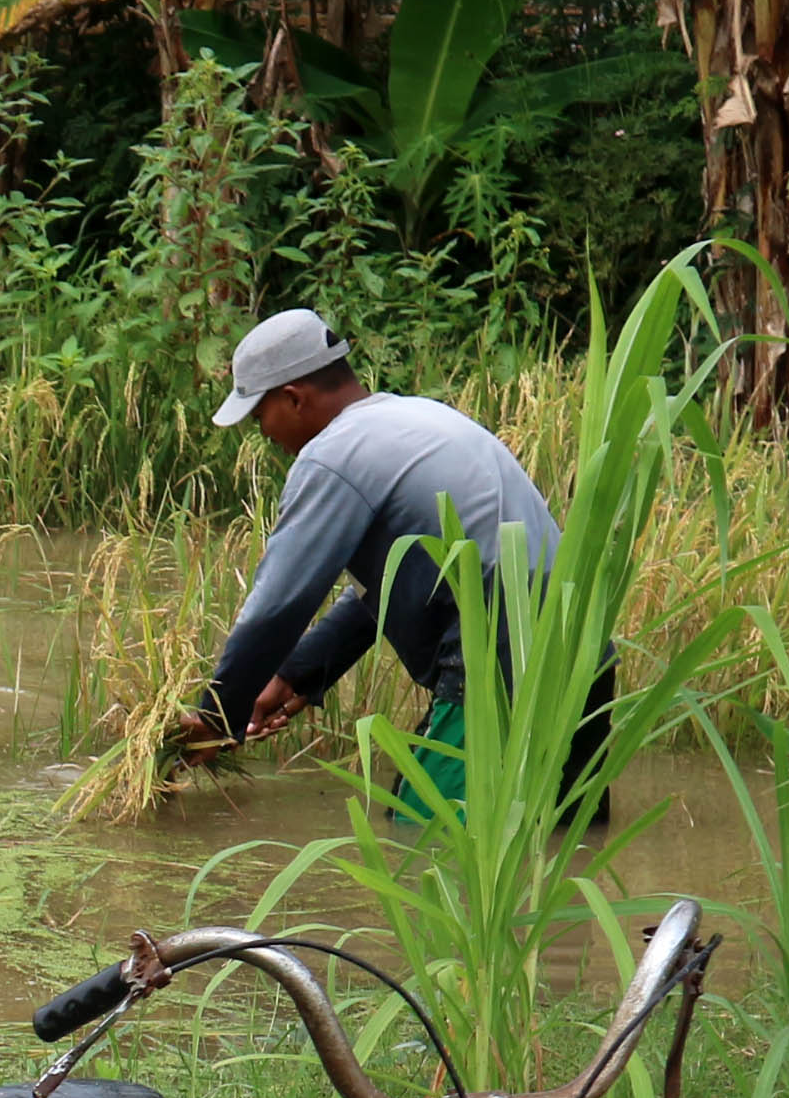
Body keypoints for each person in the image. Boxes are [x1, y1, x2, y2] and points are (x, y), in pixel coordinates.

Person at [197, 308, 605, 809]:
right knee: (562, 837)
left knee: (427, 834)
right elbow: (390, 588)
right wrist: (298, 672)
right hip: (584, 650)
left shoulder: (334, 454)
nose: (263, 433)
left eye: (260, 416)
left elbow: (276, 606)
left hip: (503, 657)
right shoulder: (419, 419)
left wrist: (216, 716)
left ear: (294, 398)